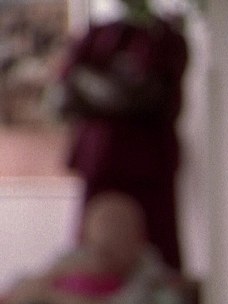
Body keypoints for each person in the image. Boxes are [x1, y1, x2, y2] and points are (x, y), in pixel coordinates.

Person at [58, 0, 188, 270]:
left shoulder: (165, 39)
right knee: (93, 253)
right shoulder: (96, 36)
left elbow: (156, 98)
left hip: (149, 164)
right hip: (102, 159)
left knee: (158, 250)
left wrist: (100, 92)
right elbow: (68, 93)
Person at [1, 190, 174, 304]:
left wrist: (48, 297)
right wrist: (59, 274)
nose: (105, 255)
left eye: (119, 233)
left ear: (139, 239)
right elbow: (28, 287)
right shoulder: (77, 259)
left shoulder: (147, 276)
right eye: (101, 247)